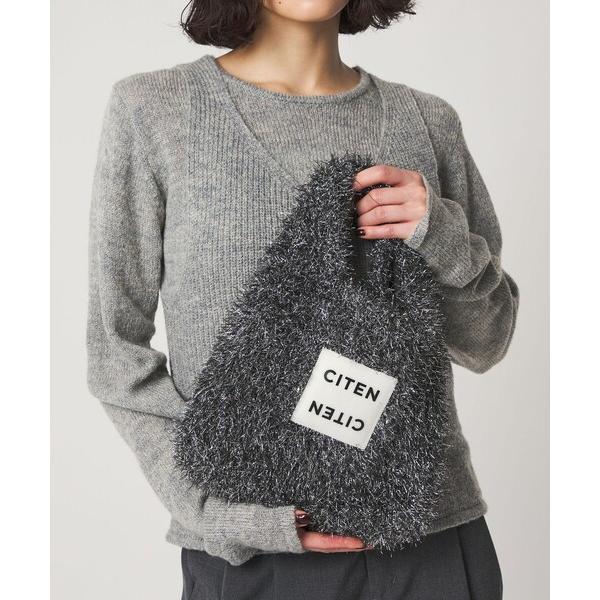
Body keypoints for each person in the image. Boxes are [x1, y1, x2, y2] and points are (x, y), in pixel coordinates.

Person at [87, 1, 519, 598]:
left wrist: (438, 233)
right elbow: (113, 351)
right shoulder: (155, 108)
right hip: (251, 553)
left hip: (430, 541)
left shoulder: (426, 121)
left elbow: (486, 342)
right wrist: (219, 514)